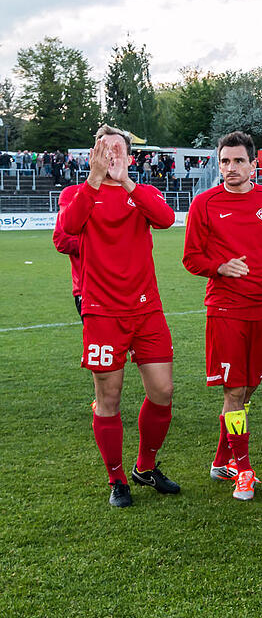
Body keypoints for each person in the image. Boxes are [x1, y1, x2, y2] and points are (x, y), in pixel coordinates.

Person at [58, 124, 179, 508]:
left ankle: (145, 466)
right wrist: (94, 181)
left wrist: (125, 182)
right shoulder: (81, 195)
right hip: (102, 311)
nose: (112, 154)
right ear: (94, 154)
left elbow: (165, 218)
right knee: (108, 399)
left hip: (147, 309)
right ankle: (117, 479)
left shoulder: (142, 193)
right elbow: (67, 231)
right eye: (104, 149)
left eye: (118, 149)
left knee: (163, 392)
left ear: (129, 156)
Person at [182, 131, 262, 501]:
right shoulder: (205, 204)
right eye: (225, 161)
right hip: (225, 309)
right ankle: (243, 471)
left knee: (247, 389)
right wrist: (220, 267)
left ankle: (221, 460)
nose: (230, 168)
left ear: (252, 164)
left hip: (261, 310)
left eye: (238, 161)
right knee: (233, 392)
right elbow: (191, 258)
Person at [53, 185, 83, 317]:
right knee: (102, 338)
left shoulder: (132, 192)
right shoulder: (73, 193)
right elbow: (62, 241)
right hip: (88, 290)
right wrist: (100, 242)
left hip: (131, 289)